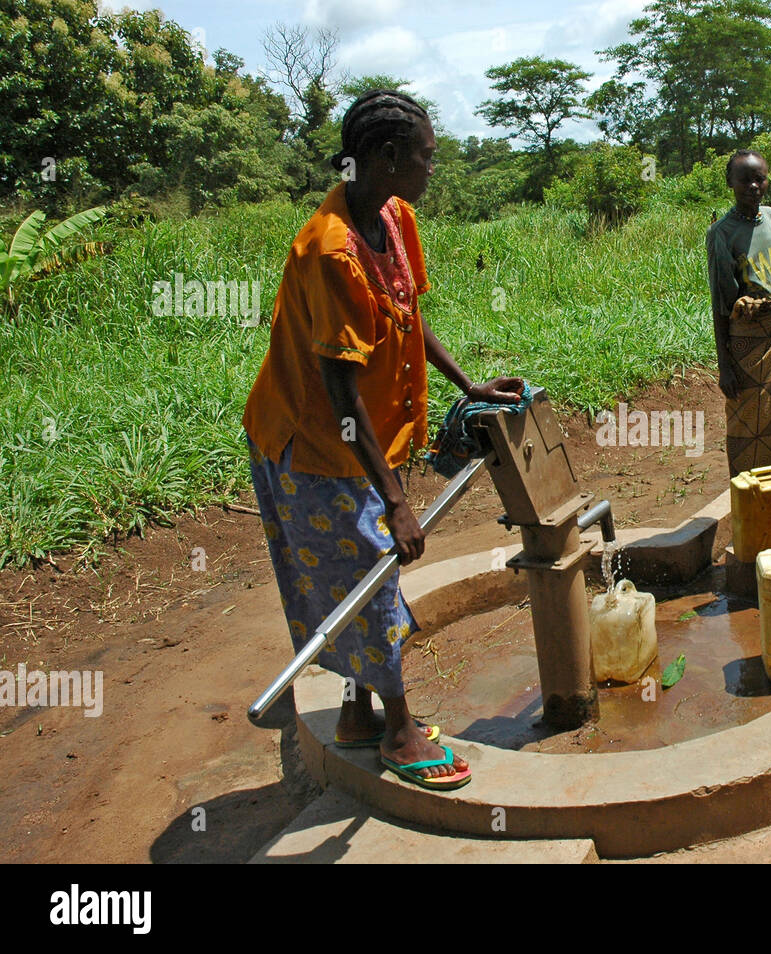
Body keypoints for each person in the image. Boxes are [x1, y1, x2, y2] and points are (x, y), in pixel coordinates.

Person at [242, 90, 523, 789]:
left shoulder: (394, 218)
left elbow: (406, 312)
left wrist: (468, 386)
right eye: (425, 156)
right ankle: (399, 732)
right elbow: (340, 398)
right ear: (386, 156)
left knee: (358, 574)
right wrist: (396, 501)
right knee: (368, 575)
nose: (433, 168)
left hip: (360, 435)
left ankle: (358, 714)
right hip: (313, 443)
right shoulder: (330, 252)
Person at [706, 150, 771, 478]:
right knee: (750, 427)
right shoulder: (721, 234)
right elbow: (721, 307)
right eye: (744, 179)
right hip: (749, 347)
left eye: (759, 178)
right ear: (730, 183)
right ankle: (753, 505)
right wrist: (725, 366)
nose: (753, 186)